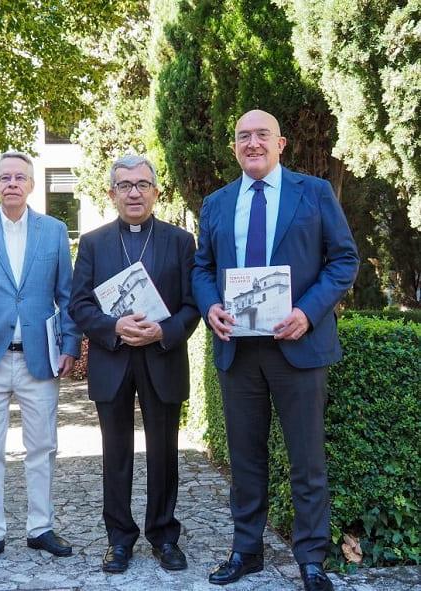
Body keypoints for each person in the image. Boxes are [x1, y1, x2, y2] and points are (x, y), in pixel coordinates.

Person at [192, 110, 359, 591]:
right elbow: (202, 269)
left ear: (281, 143)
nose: (252, 143)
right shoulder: (217, 203)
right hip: (238, 350)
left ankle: (311, 560)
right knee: (245, 461)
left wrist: (308, 311)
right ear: (234, 147)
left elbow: (344, 259)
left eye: (261, 135)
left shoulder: (315, 193)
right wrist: (211, 308)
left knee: (307, 460)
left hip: (298, 345)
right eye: (243, 136)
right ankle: (247, 551)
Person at [69, 155, 200, 574]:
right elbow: (79, 303)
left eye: (143, 184)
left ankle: (163, 535)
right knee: (116, 454)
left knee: (164, 454)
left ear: (156, 192)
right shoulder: (93, 243)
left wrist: (163, 332)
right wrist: (113, 326)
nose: (134, 193)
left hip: (162, 359)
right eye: (124, 185)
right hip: (114, 359)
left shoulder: (180, 242)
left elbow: (193, 305)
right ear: (111, 193)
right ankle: (119, 539)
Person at [0, 151, 81, 567]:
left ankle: (40, 527)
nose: (11, 183)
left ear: (30, 184)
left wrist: (69, 346)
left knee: (42, 446)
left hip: (39, 357)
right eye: (4, 177)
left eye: (19, 177)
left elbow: (67, 294)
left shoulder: (54, 231)